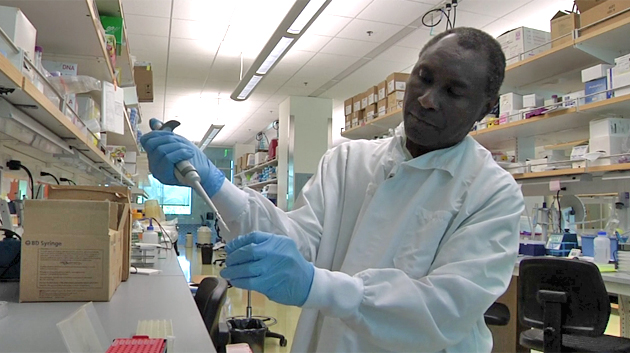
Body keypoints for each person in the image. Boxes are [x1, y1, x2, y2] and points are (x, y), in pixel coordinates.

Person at [141, 27, 524, 352]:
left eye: (453, 92)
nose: (427, 99)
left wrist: (316, 285)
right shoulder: (347, 161)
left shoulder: (493, 192)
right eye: (423, 77)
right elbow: (298, 242)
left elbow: (444, 308)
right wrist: (214, 184)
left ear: (486, 107)